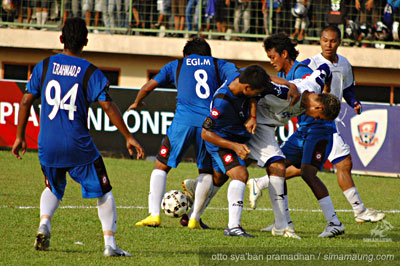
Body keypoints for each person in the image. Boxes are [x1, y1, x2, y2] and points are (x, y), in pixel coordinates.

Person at [11, 17, 145, 256]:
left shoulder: (44, 65)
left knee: (53, 186)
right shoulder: (90, 71)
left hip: (47, 143)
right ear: (86, 41)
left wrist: (20, 136)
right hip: (78, 144)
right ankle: (110, 246)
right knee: (104, 191)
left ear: (61, 39)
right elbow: (108, 106)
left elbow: (25, 100)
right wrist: (128, 136)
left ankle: (44, 224)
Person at [131, 37, 238, 228]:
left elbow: (148, 86)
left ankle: (154, 215)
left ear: (187, 54)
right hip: (209, 124)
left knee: (161, 165)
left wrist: (137, 102)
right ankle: (194, 218)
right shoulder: (217, 64)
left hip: (183, 122)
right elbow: (236, 79)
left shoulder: (177, 64)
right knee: (205, 171)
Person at [248, 32, 346, 238]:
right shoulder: (288, 77)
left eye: (272, 56)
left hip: (317, 131)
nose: (270, 60)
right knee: (278, 166)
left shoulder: (299, 71)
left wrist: (324, 96)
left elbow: (323, 73)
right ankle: (282, 221)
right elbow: (325, 69)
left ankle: (334, 222)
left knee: (307, 173)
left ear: (284, 54)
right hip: (303, 131)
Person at [287, 25, 386, 223]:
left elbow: (348, 89)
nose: (328, 44)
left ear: (339, 42)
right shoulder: (310, 63)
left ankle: (261, 182)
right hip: (317, 122)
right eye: (324, 40)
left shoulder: (345, 64)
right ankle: (359, 211)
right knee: (343, 162)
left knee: (305, 168)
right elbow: (297, 84)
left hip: (329, 121)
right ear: (320, 41)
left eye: (332, 41)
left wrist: (354, 102)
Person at [201, 65, 272, 237]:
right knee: (240, 175)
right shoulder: (222, 102)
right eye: (256, 92)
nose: (257, 96)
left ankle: (190, 215)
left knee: (218, 179)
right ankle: (233, 227)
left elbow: (253, 98)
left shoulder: (243, 76)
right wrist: (234, 146)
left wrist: (253, 116)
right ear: (247, 88)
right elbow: (206, 133)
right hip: (221, 142)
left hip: (238, 137)